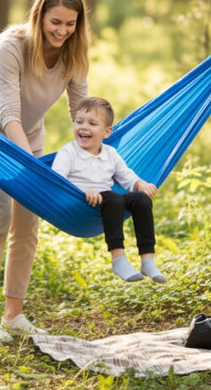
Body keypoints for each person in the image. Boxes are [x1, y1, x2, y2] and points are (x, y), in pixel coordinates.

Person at [0, 0, 90, 341]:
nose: (63, 31)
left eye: (70, 24)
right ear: (39, 16)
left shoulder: (73, 52)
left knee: (27, 225)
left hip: (30, 136)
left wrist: (98, 139)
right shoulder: (11, 46)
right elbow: (8, 112)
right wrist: (32, 167)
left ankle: (13, 315)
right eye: (56, 22)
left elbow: (79, 108)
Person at [52, 96, 167, 284]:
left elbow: (127, 177)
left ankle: (147, 259)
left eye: (92, 123)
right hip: (80, 204)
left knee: (141, 199)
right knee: (114, 197)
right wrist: (82, 191)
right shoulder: (68, 152)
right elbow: (56, 181)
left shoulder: (111, 154)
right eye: (79, 121)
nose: (84, 127)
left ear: (106, 132)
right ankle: (118, 259)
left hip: (109, 204)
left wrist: (141, 184)